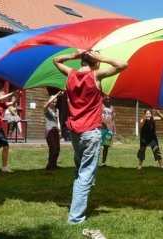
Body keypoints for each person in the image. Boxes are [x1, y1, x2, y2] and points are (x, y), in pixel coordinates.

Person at [53, 49, 127, 224]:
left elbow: (56, 60)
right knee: (85, 173)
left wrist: (73, 56)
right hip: (90, 131)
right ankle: (75, 218)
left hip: (75, 132)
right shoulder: (96, 76)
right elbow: (123, 65)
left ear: (82, 61)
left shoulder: (70, 74)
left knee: (81, 168)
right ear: (95, 61)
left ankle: (81, 192)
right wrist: (102, 57)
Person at [0, 89, 21, 175]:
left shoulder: (3, 104)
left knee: (6, 146)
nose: (4, 98)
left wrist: (18, 96)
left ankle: (4, 167)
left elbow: (12, 103)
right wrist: (12, 93)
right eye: (3, 95)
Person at [43, 91, 63, 171]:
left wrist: (60, 132)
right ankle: (49, 167)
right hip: (49, 131)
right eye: (53, 102)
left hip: (55, 131)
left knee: (57, 149)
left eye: (55, 102)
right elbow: (48, 103)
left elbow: (57, 121)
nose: (54, 103)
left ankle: (54, 165)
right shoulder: (46, 109)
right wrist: (57, 94)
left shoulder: (57, 110)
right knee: (53, 149)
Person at [101, 96, 116, 167]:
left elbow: (113, 120)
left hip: (109, 130)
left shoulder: (112, 108)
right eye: (106, 98)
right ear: (103, 98)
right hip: (101, 129)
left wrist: (114, 130)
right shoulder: (100, 105)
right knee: (97, 145)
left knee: (106, 146)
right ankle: (93, 162)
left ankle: (103, 162)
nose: (107, 100)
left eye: (109, 98)